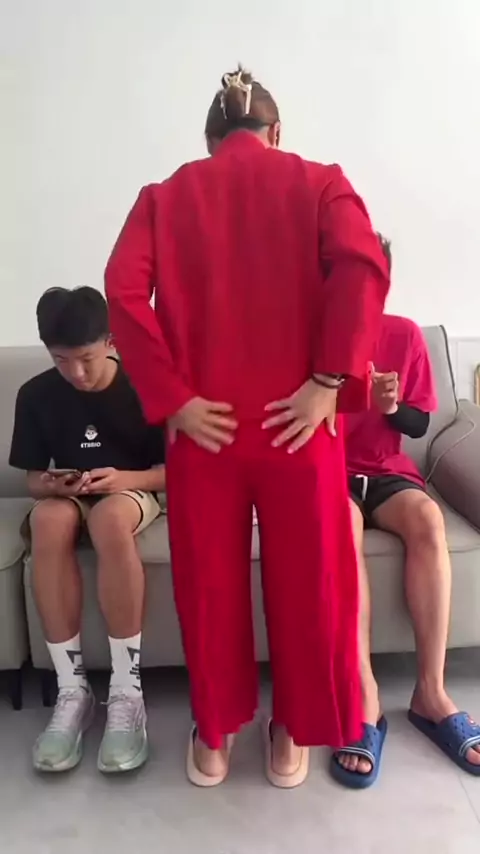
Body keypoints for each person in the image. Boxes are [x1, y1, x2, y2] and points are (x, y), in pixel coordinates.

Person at [105, 66, 390, 788]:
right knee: (311, 584)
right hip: (301, 427)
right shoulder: (322, 183)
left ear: (210, 140)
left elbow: (122, 291)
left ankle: (213, 734)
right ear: (276, 132)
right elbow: (363, 266)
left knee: (208, 583)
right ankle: (291, 732)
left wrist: (172, 399)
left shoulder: (164, 197)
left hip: (206, 431)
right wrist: (328, 382)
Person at [330, 236, 480, 789]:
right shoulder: (310, 340)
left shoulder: (405, 335)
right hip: (332, 473)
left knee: (428, 522)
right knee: (341, 528)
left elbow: (418, 424)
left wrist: (390, 407)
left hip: (388, 471)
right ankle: (365, 694)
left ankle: (430, 693)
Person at [9, 286, 165, 774]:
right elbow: (33, 480)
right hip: (72, 492)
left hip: (132, 488)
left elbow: (176, 472)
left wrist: (125, 479)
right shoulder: (35, 394)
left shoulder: (146, 385)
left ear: (111, 342)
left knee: (109, 518)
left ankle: (126, 691)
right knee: (47, 519)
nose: (75, 372)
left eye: (86, 359)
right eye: (61, 360)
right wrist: (54, 483)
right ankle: (72, 691)